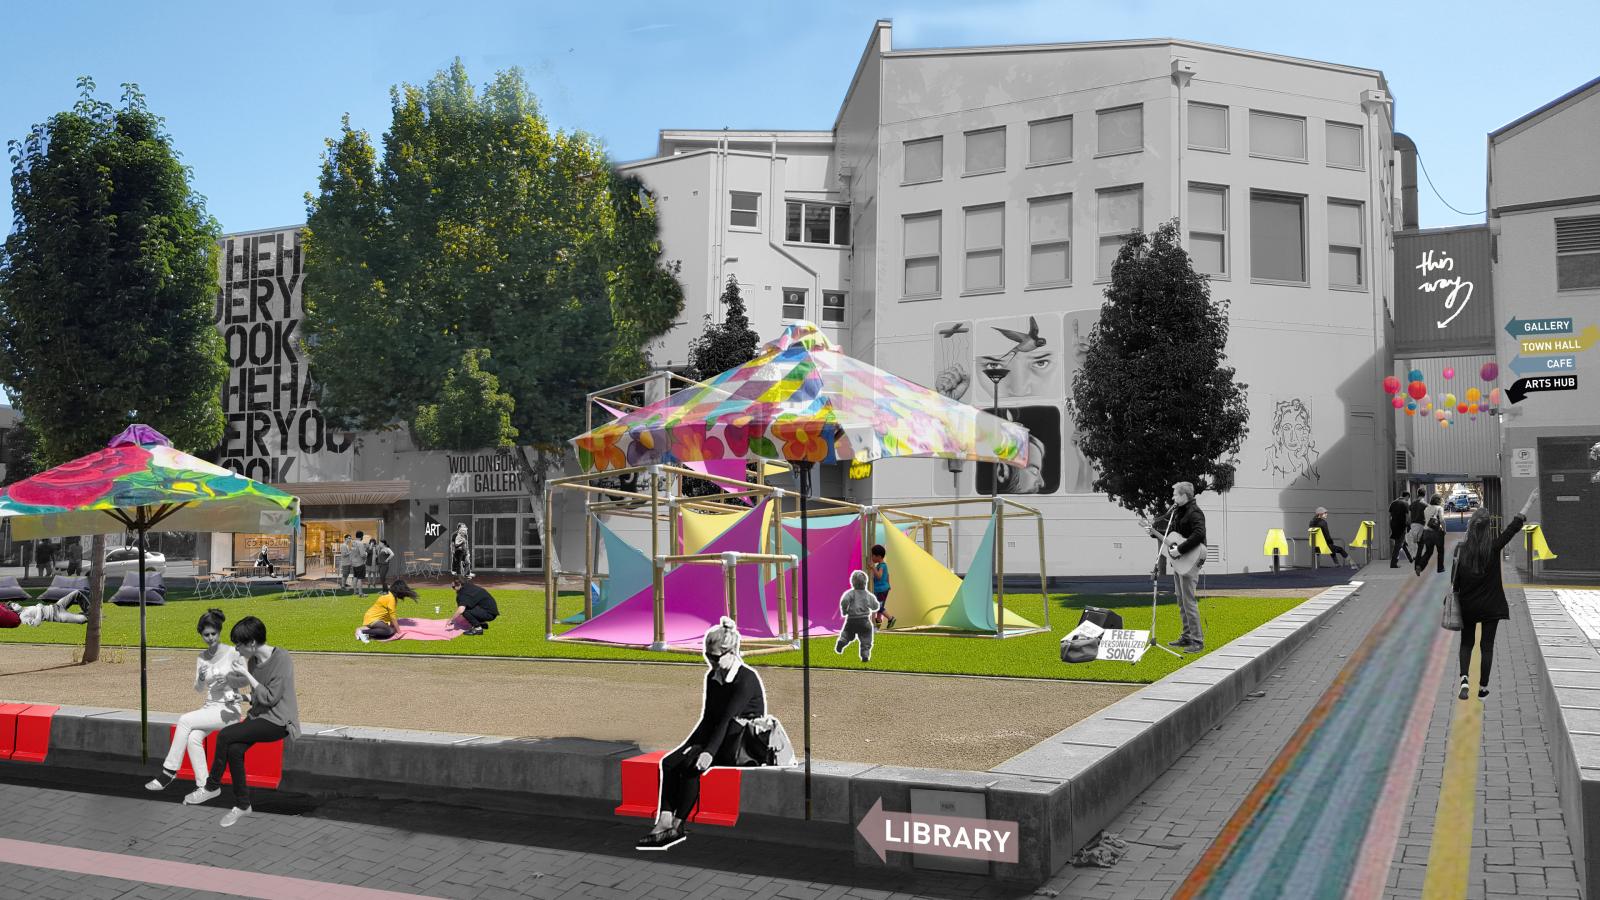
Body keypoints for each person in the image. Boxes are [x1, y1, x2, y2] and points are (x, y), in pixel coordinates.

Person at [637, 618, 770, 851]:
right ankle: (664, 820)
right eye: (708, 656)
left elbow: (728, 719)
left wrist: (707, 752)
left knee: (692, 765)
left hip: (742, 742)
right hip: (722, 735)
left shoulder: (745, 679)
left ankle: (678, 826)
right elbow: (708, 718)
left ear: (732, 652)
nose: (711, 662)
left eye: (716, 657)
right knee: (669, 762)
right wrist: (687, 746)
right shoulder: (713, 677)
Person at [186, 616, 300, 828]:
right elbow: (258, 694)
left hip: (279, 721)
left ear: (252, 643)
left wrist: (247, 674)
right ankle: (242, 804)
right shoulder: (255, 660)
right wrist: (244, 697)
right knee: (235, 750)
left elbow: (271, 698)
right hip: (259, 716)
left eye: (239, 644)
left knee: (226, 735)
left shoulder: (282, 659)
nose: (237, 649)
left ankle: (211, 787)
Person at [1451, 490, 1539, 701]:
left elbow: (1455, 582)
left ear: (1471, 526)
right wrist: (1529, 502)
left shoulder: (1460, 550)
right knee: (1486, 647)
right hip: (1492, 606)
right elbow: (1513, 527)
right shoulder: (1494, 547)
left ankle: (1464, 678)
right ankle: (1482, 689)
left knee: (1466, 643)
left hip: (1468, 605)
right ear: (1488, 526)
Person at [145, 609, 243, 794]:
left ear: (219, 632)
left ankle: (169, 772)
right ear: (201, 635)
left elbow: (245, 679)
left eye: (213, 634)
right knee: (193, 738)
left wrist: (229, 680)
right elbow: (198, 689)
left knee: (184, 720)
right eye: (206, 635)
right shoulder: (201, 657)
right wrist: (201, 678)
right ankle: (205, 786)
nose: (210, 638)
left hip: (229, 709)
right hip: (210, 708)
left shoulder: (232, 653)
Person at [1147, 481, 1207, 653]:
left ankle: (1197, 640)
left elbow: (1199, 534)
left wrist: (1180, 548)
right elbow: (1171, 537)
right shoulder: (1178, 512)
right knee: (1181, 600)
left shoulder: (1194, 512)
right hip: (1179, 562)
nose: (1172, 497)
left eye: (1174, 494)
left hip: (1190, 560)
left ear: (1183, 496)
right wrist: (1154, 533)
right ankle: (1187, 636)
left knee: (1188, 602)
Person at [835, 570, 879, 663]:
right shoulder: (868, 595)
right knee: (866, 637)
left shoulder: (851, 593)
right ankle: (865, 653)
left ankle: (843, 640)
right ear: (865, 583)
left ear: (853, 582)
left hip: (851, 620)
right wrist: (871, 606)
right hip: (864, 621)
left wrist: (844, 610)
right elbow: (876, 606)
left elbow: (844, 601)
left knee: (847, 632)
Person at [1414, 494, 1447, 575]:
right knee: (1440, 551)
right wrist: (1444, 530)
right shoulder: (1439, 508)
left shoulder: (1426, 508)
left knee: (1428, 552)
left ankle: (1420, 566)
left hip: (1426, 532)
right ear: (1439, 501)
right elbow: (1442, 520)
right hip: (1436, 532)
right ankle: (1440, 568)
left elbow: (1427, 520)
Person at [7, 596, 88, 626]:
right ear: (13, 611)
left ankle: (89, 610)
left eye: (15, 603)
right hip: (56, 615)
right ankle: (89, 615)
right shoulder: (23, 617)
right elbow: (36, 623)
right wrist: (39, 608)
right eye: (14, 605)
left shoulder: (25, 608)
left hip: (56, 606)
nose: (17, 603)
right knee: (83, 619)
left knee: (77, 593)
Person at [869, 544, 895, 630]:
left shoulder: (881, 566)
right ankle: (878, 621)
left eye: (873, 556)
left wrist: (873, 568)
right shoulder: (883, 565)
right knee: (880, 606)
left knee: (878, 606)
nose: (872, 557)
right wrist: (888, 584)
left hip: (880, 590)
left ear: (879, 556)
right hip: (884, 589)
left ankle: (890, 618)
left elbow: (879, 576)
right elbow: (887, 575)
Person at [1388, 491, 1413, 567]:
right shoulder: (1405, 503)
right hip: (1401, 525)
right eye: (1408, 498)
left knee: (1402, 542)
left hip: (1394, 525)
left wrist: (1391, 525)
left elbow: (1390, 515)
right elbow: (1407, 516)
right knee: (1398, 544)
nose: (1408, 499)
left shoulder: (1393, 503)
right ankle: (1393, 563)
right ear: (1407, 496)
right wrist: (1408, 526)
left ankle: (1410, 558)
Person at [1407, 488, 1428, 560]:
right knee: (1421, 542)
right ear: (1424, 495)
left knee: (1415, 541)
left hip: (1413, 524)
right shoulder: (1424, 504)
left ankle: (1415, 555)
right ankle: (1418, 556)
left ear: (1417, 494)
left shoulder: (1412, 504)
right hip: (1421, 524)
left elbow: (1409, 512)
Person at [350, 531, 369, 597]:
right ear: (362, 536)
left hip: (354, 563)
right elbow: (363, 554)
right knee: (360, 578)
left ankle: (355, 591)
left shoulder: (353, 543)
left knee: (355, 577)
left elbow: (352, 553)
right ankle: (361, 593)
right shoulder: (360, 543)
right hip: (360, 563)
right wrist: (366, 553)